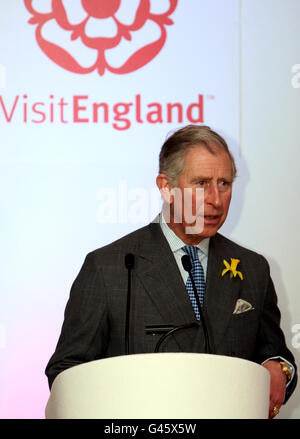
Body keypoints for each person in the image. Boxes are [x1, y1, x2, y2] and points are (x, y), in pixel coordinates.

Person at [45, 124, 297, 418]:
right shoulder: (109, 267)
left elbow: (273, 353)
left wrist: (279, 368)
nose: (216, 200)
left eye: (224, 183)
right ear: (166, 187)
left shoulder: (252, 268)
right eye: (202, 183)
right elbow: (67, 371)